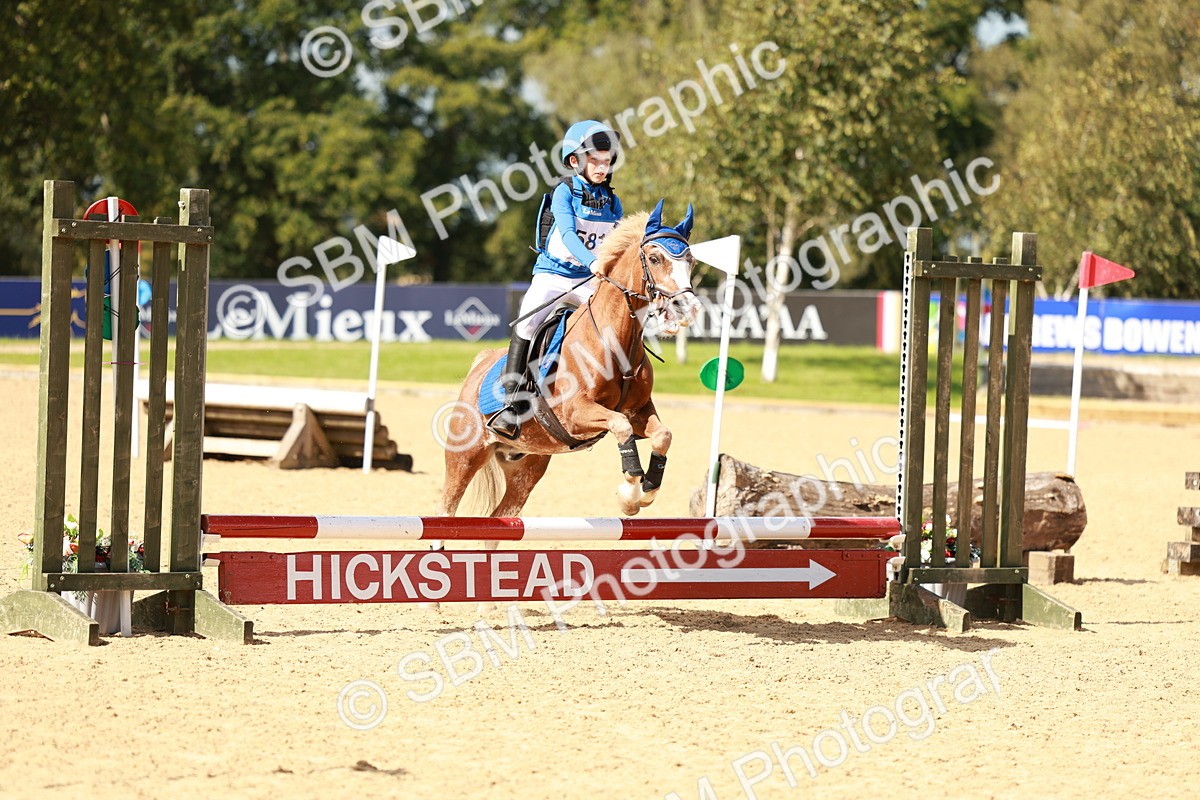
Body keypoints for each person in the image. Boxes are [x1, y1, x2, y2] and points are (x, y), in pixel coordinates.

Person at [488, 120, 624, 439]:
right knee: (527, 322)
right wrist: (595, 262)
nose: (602, 167)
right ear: (574, 161)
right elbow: (567, 234)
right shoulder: (564, 192)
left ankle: (620, 389)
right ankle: (511, 403)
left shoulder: (613, 202)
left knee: (615, 323)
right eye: (595, 160)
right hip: (553, 275)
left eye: (606, 161)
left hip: (589, 280)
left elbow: (618, 242)